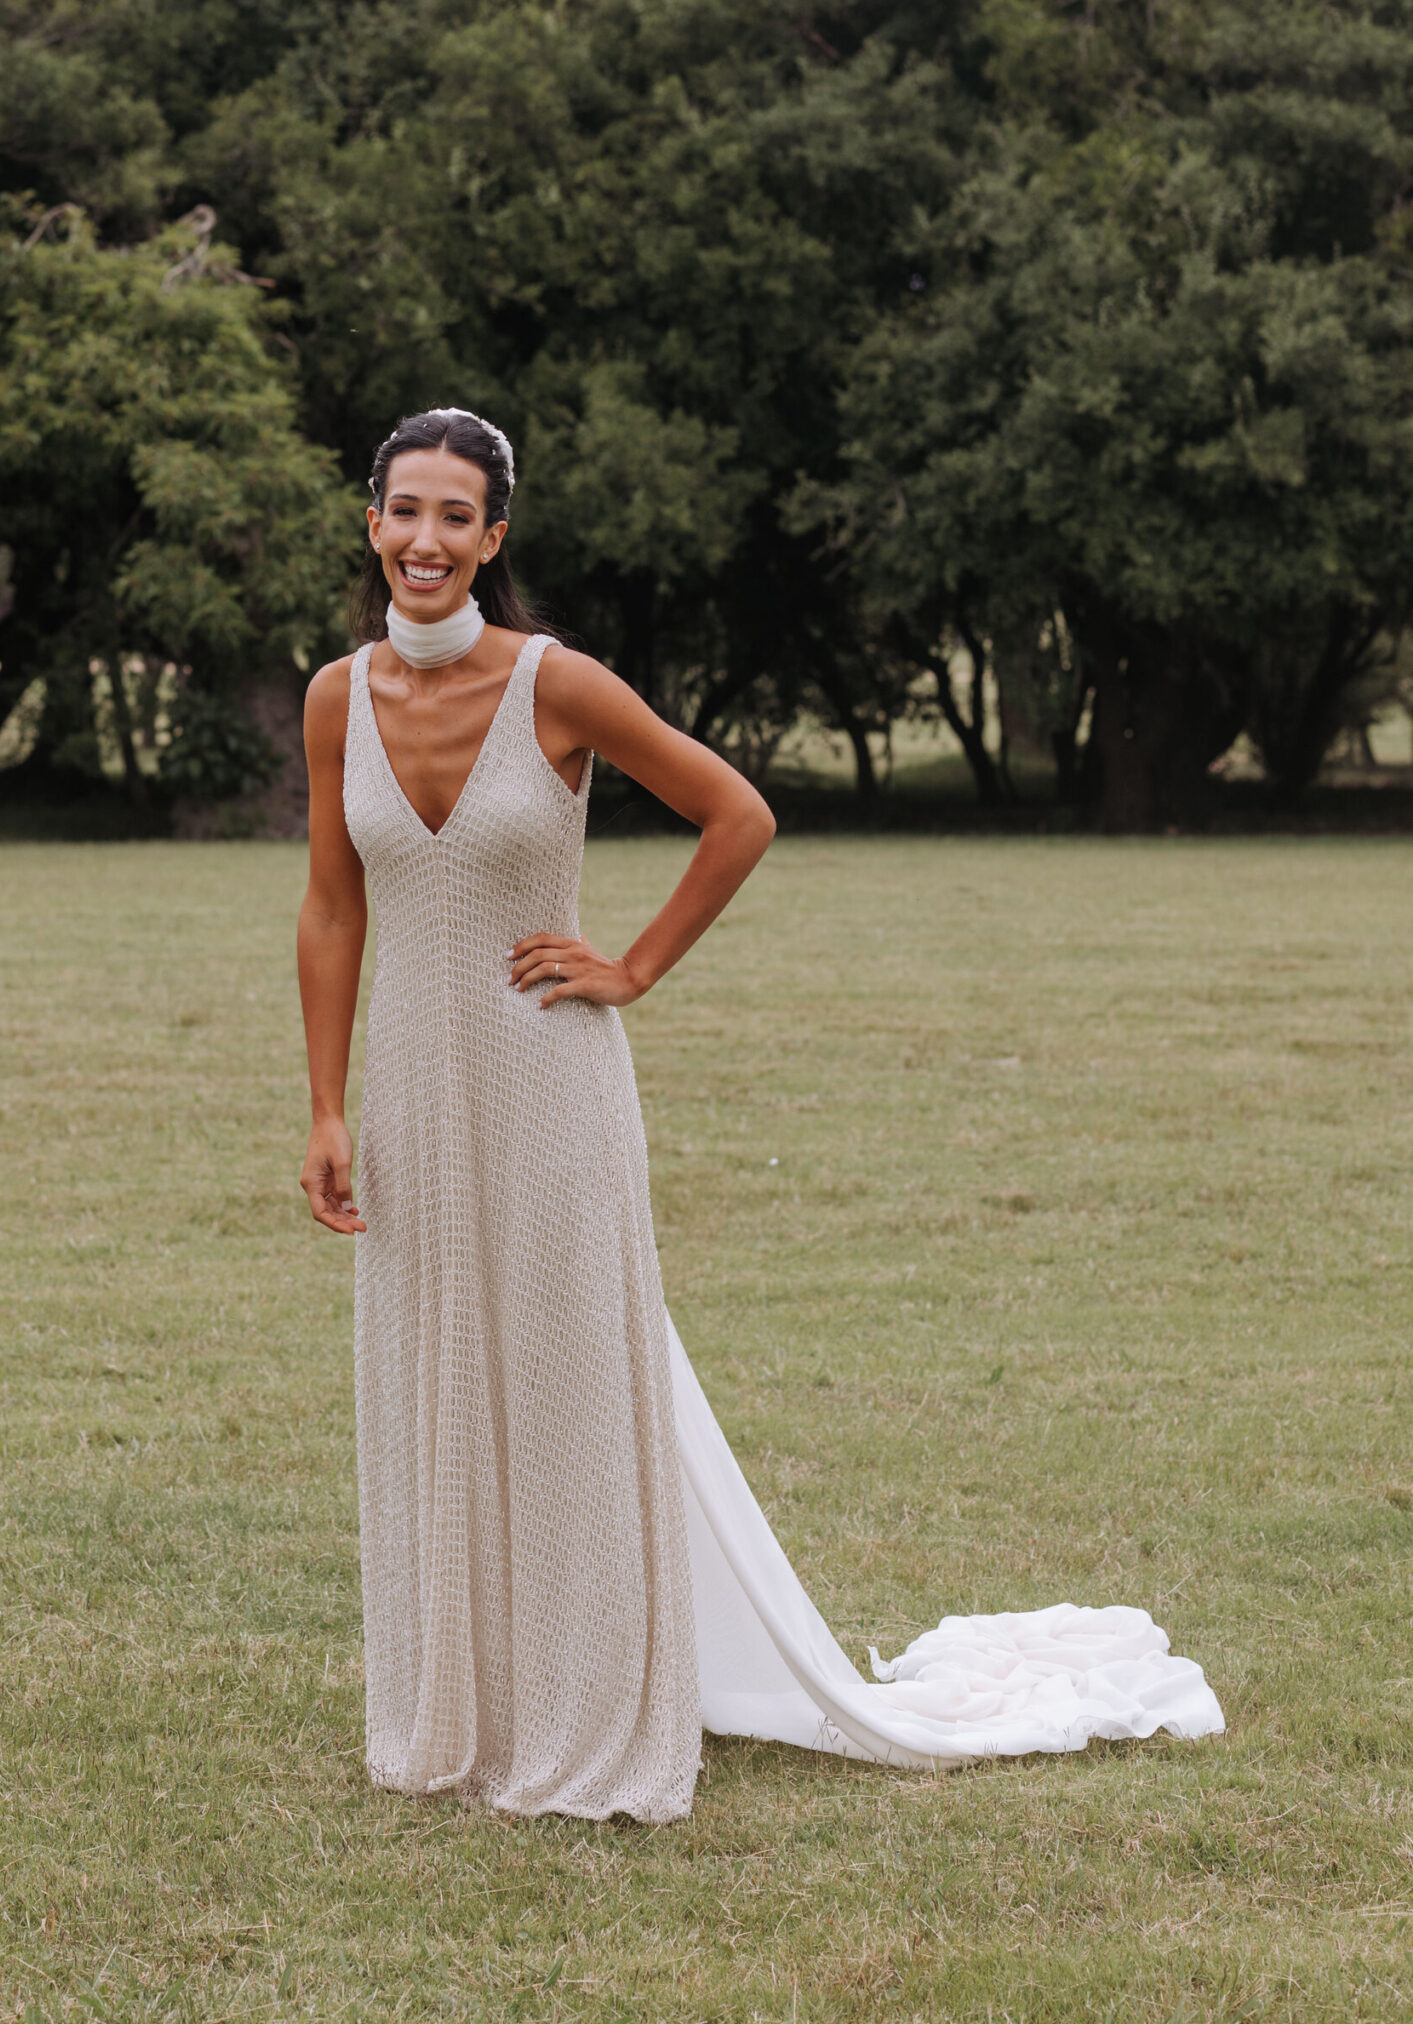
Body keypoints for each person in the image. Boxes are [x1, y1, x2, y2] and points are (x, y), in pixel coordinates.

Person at [297, 406, 1223, 1825]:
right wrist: (324, 1105)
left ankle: (591, 1705)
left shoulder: (557, 684)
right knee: (436, 1384)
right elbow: (331, 903)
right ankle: (462, 1709)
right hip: (412, 1097)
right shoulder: (334, 699)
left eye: (454, 516)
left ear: (492, 537)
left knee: (567, 1387)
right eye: (403, 511)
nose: (425, 539)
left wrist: (630, 967)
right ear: (374, 525)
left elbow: (737, 815)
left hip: (549, 1084)